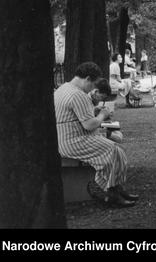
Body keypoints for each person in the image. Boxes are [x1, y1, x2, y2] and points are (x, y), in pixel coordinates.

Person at [54, 62, 139, 207]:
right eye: (92, 84)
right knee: (114, 151)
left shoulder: (63, 89)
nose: (92, 88)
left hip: (64, 139)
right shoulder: (78, 95)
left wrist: (93, 113)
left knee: (116, 151)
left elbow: (74, 117)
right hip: (74, 141)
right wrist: (102, 115)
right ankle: (111, 192)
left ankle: (116, 189)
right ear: (87, 78)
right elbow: (89, 125)